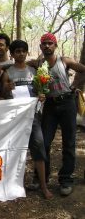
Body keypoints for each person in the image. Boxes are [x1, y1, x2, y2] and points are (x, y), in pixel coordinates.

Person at [1, 40, 53, 199]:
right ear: (12, 54)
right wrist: (7, 87)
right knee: (14, 149)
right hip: (15, 117)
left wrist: (42, 95)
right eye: (17, 51)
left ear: (27, 52)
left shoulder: (34, 70)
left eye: (23, 51)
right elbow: (4, 93)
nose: (21, 54)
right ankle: (14, 185)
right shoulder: (8, 72)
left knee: (38, 146)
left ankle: (43, 186)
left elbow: (40, 90)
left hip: (33, 116)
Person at [38, 33, 85, 196]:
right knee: (44, 142)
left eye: (50, 43)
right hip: (50, 106)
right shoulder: (39, 63)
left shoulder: (64, 61)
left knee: (69, 143)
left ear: (55, 45)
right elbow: (19, 62)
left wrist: (75, 86)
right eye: (44, 44)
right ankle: (43, 177)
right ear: (40, 47)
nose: (47, 46)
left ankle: (66, 180)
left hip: (67, 103)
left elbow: (83, 70)